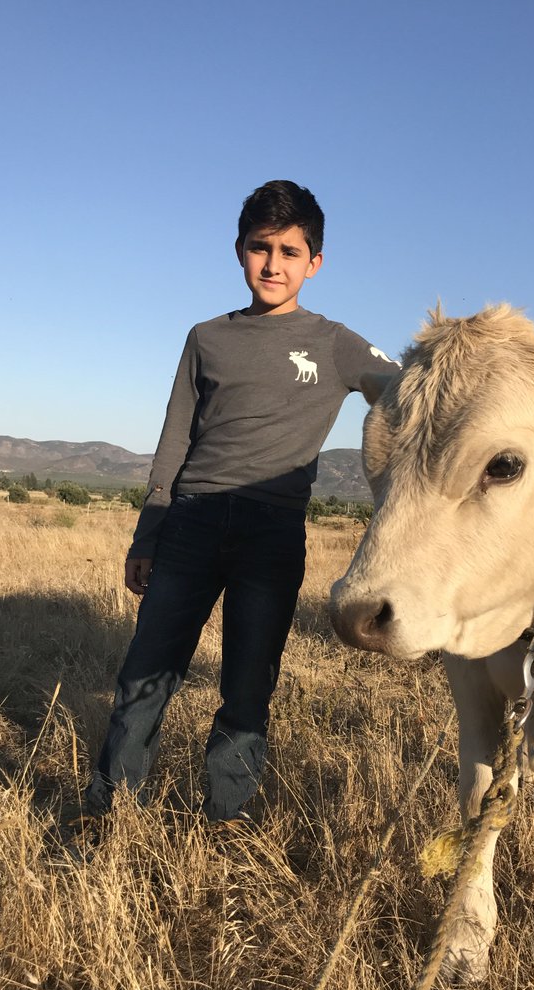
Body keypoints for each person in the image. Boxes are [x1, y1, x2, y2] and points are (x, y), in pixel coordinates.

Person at [83, 180, 399, 824]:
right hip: (191, 524)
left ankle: (227, 823)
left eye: (290, 251)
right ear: (239, 251)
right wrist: (148, 536)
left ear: (315, 262)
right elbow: (175, 440)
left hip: (271, 534)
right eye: (261, 248)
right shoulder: (207, 337)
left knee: (248, 688)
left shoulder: (335, 342)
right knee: (146, 675)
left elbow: (405, 389)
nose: (274, 264)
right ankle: (109, 815)